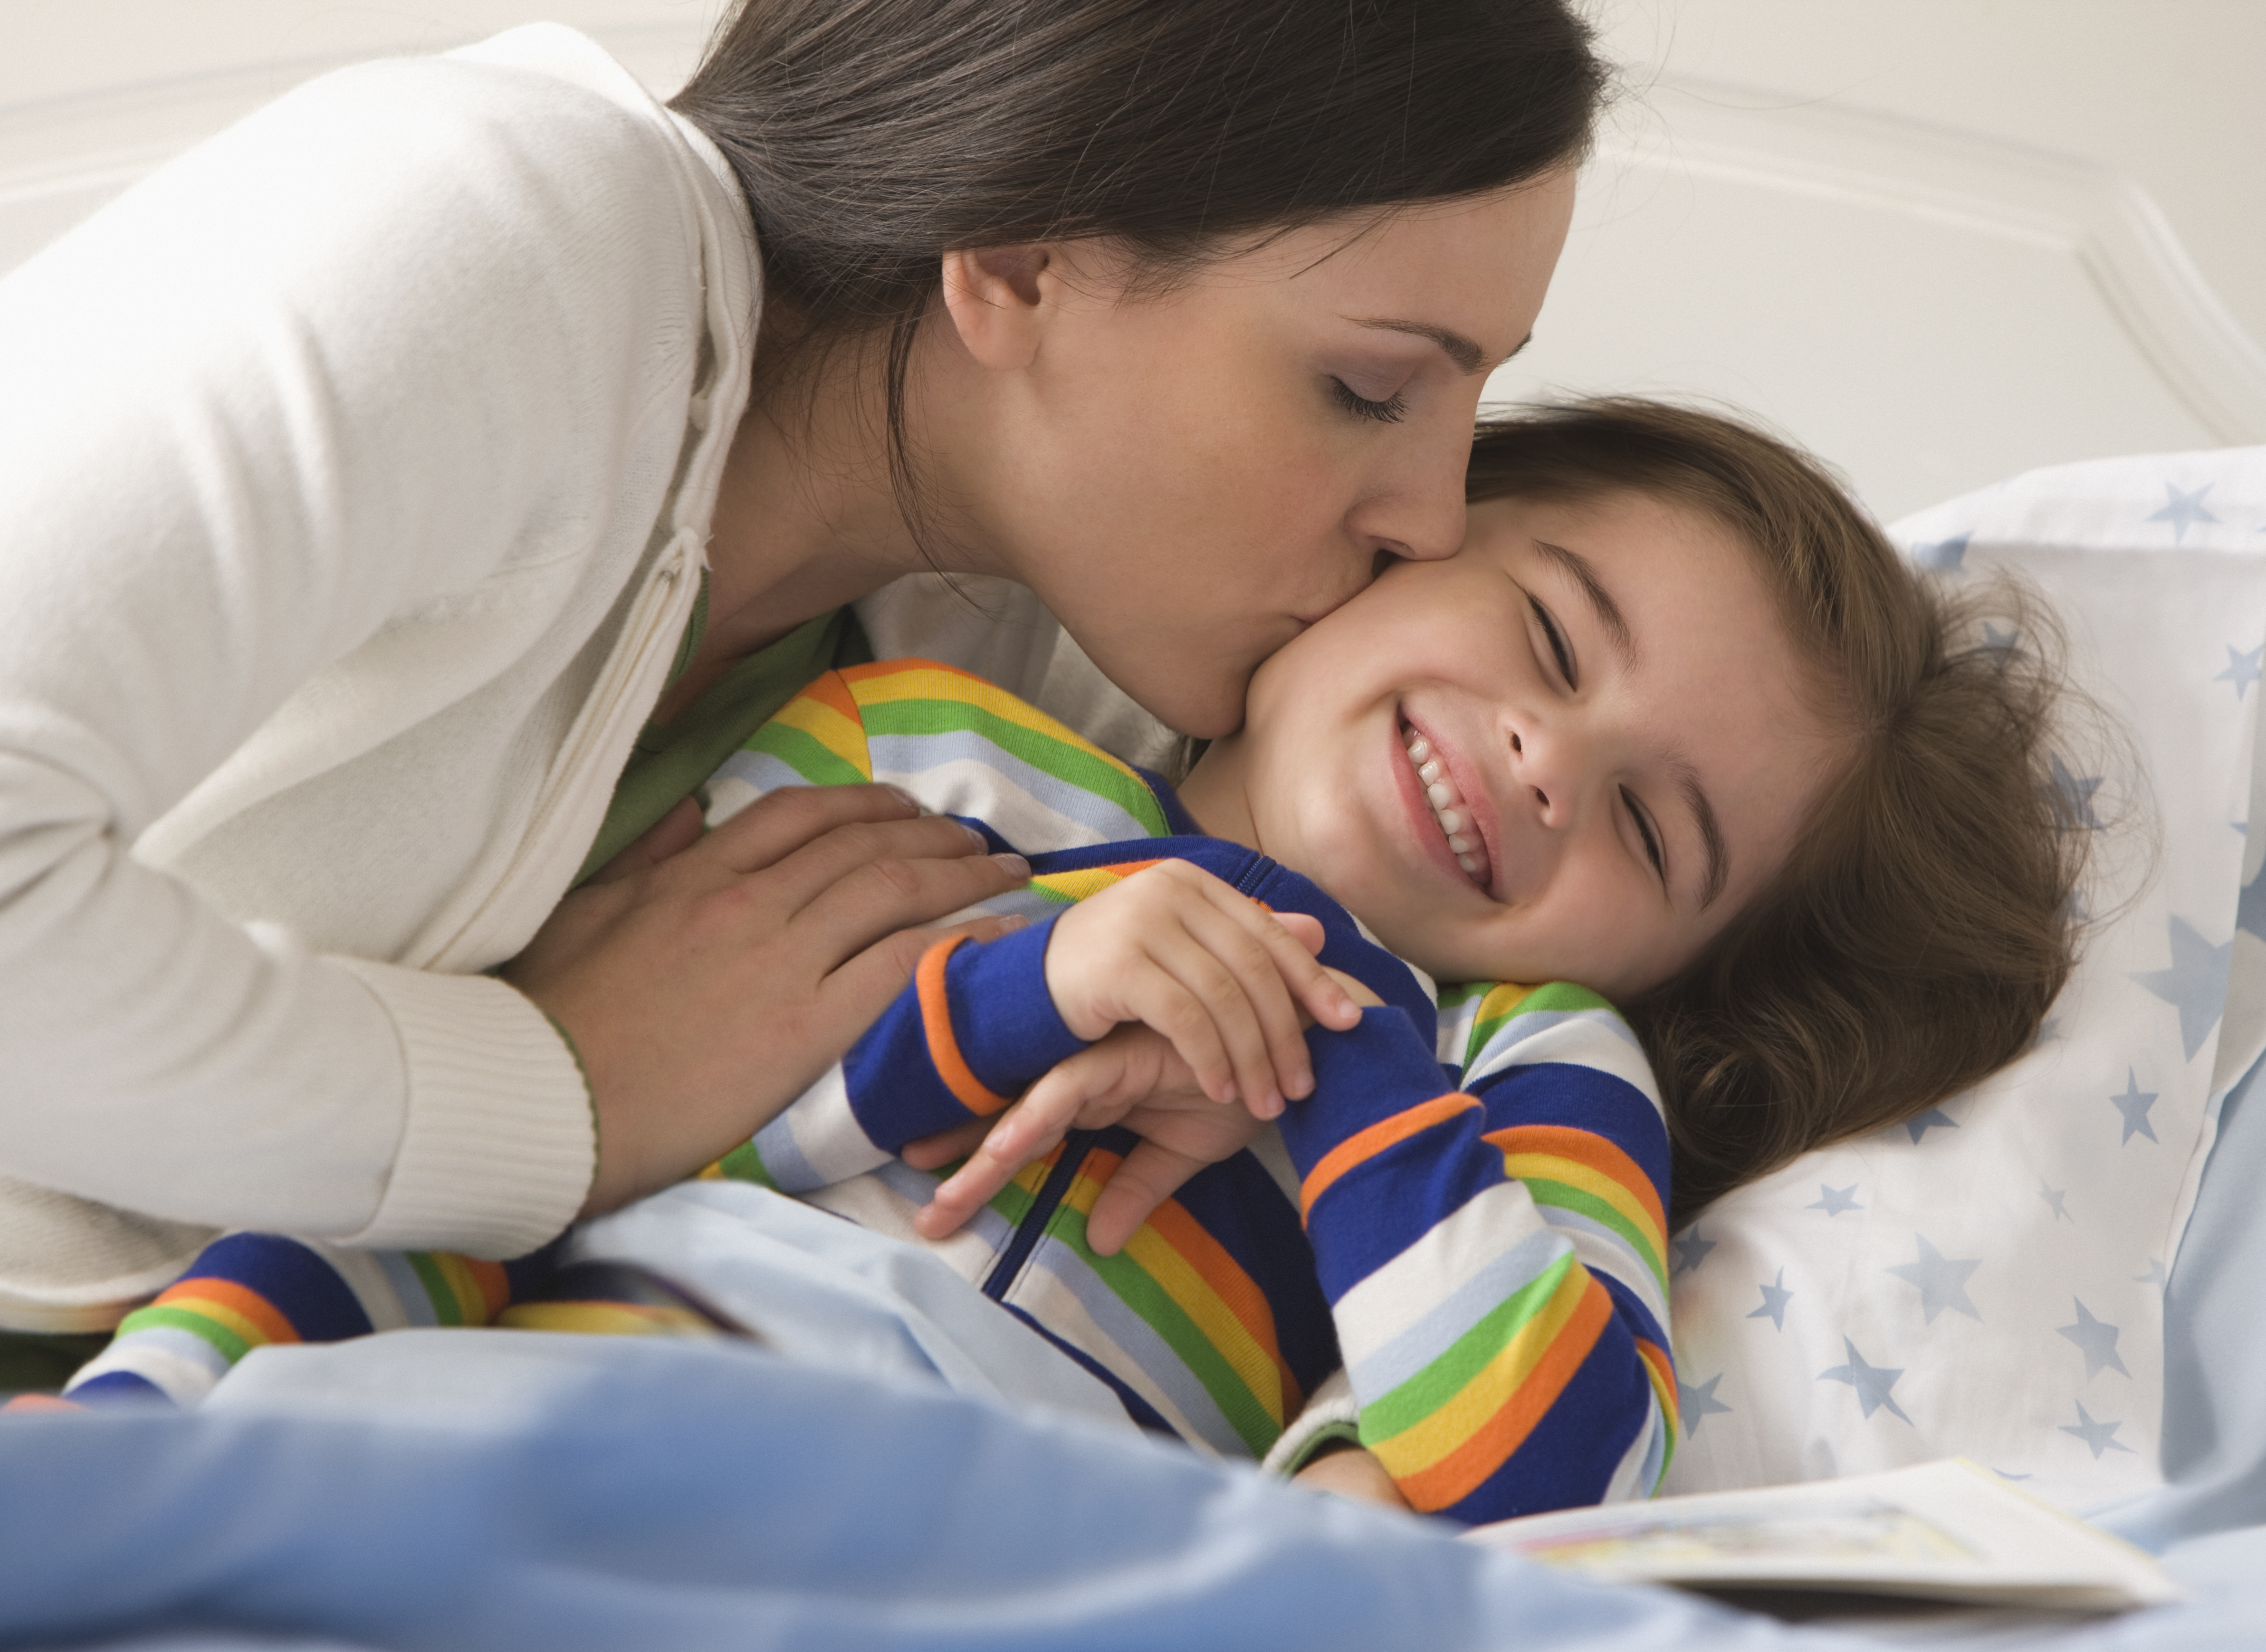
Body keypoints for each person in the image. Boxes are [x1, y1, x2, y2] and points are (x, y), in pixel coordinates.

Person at [56, 401, 2090, 1526]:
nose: (1549, 760)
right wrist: (1051, 983)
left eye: (1656, 832)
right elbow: (648, 1111)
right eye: (1551, 636)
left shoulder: (1524, 1066)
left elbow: (1547, 1476)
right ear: (1419, 525)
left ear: (1674, 955)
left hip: (978, 1542)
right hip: (548, 1393)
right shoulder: (930, 743)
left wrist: (1344, 1060)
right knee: (428, 1216)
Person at [0, 0, 1606, 1375]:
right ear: (1029, 253)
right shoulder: (502, 233)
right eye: (1371, 386)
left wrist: (1361, 1469)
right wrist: (558, 1098)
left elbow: (1439, 1081)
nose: (1435, 517)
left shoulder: (1008, 683)